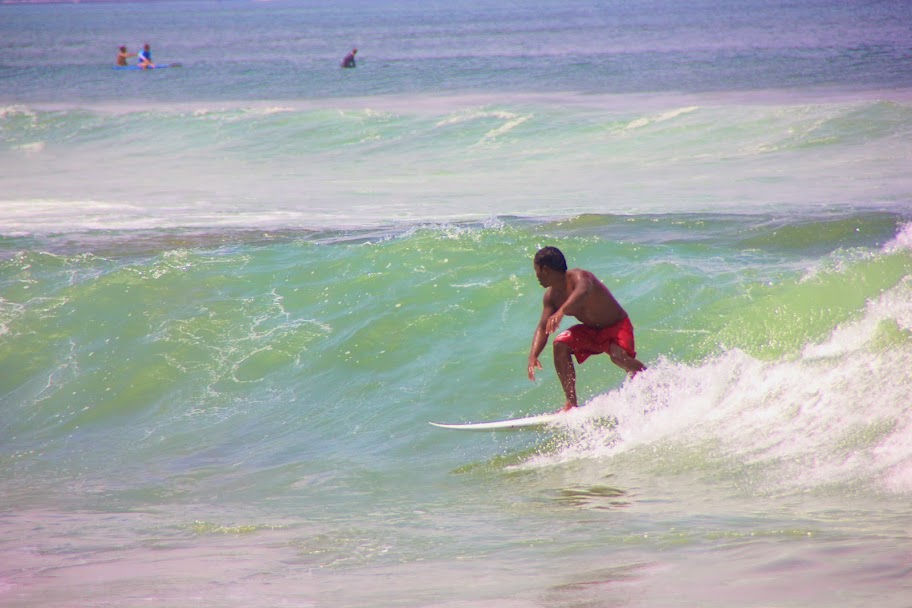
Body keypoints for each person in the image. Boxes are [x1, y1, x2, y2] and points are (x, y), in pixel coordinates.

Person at [527, 246, 646, 412]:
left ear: (545, 269)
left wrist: (561, 312)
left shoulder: (580, 277)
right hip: (591, 332)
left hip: (616, 326)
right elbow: (542, 327)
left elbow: (583, 292)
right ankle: (571, 403)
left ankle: (648, 377)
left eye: (536, 270)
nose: (537, 276)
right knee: (560, 344)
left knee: (618, 356)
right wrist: (533, 355)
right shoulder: (551, 296)